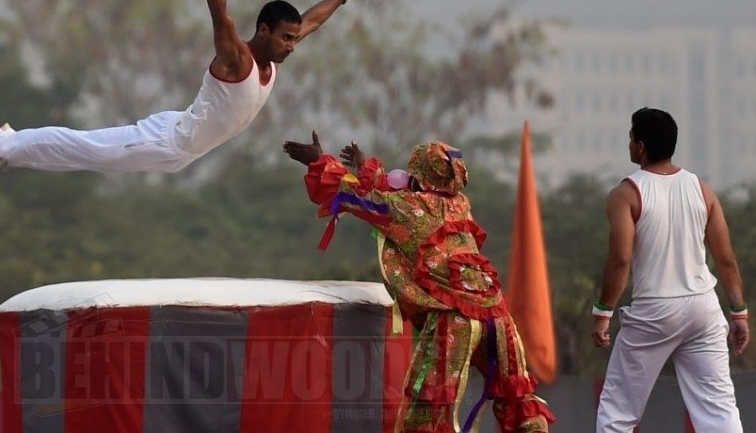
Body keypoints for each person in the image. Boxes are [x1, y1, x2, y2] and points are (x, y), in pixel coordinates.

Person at [0, 0, 377, 183]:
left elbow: (315, 18)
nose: (292, 45)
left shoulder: (276, 57)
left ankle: (5, 145)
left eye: (294, 38)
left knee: (82, 158)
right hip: (166, 141)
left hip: (183, 150)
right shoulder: (237, 58)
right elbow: (220, 16)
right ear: (263, 30)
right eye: (286, 37)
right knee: (82, 147)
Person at [283, 132, 554, 433]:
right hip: (498, 317)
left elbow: (348, 195)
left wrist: (319, 160)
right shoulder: (460, 204)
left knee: (427, 410)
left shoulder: (403, 208)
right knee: (520, 404)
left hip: (453, 319)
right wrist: (369, 169)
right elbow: (406, 193)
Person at [592, 107, 749, 432]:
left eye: (631, 137)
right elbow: (727, 259)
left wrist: (603, 312)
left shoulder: (626, 194)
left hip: (655, 310)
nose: (630, 143)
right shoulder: (701, 189)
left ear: (640, 146)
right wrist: (739, 313)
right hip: (703, 307)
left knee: (617, 412)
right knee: (719, 412)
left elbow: (620, 261)